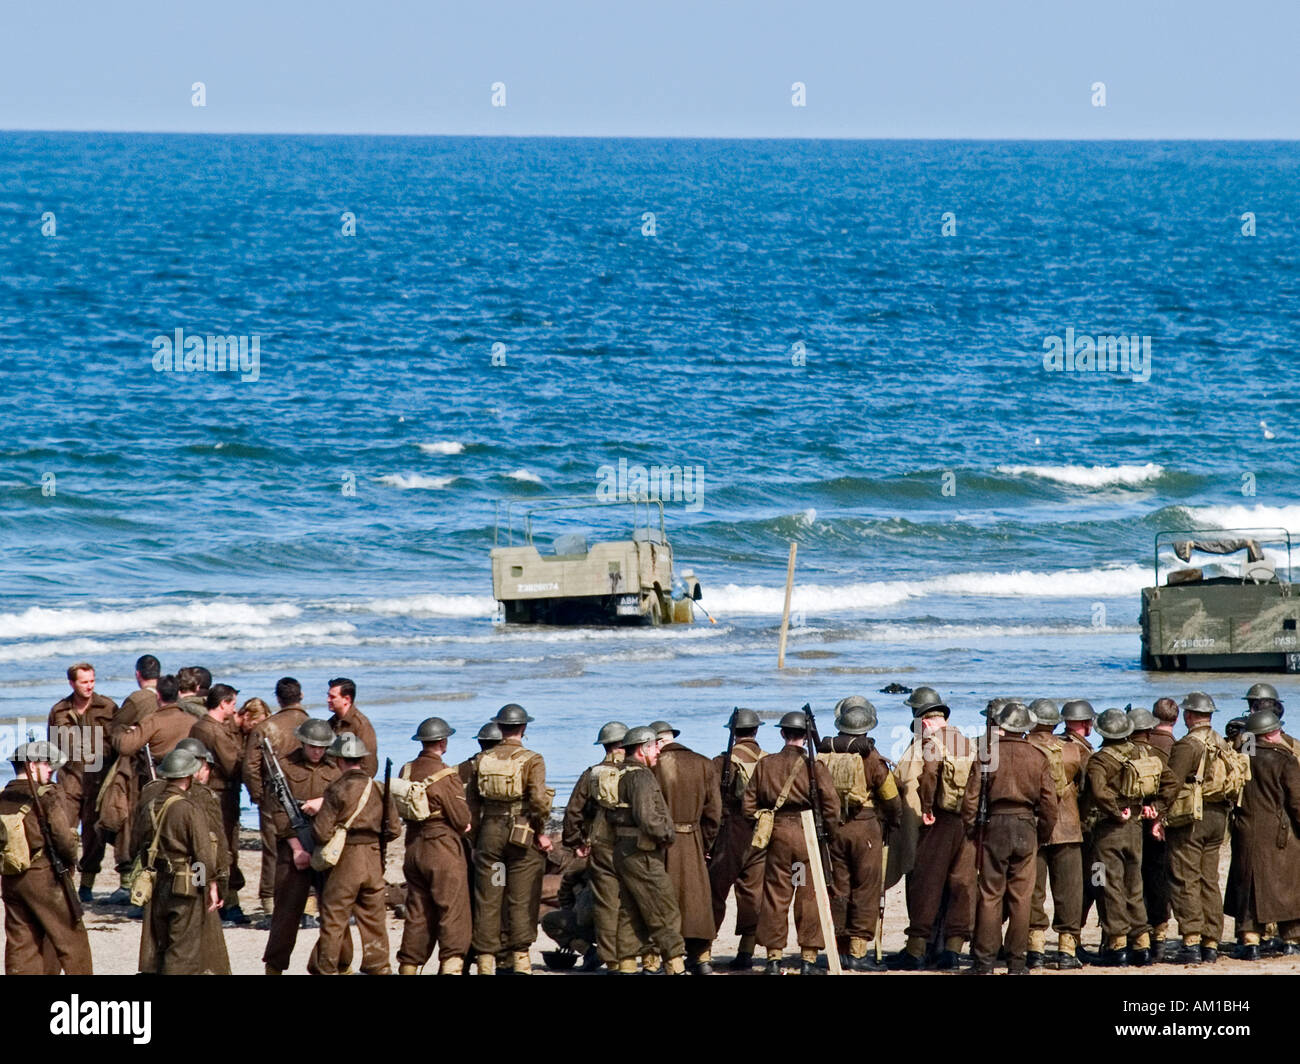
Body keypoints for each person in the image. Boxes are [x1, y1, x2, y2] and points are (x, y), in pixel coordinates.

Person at [962, 701, 1057, 975]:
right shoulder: (1039, 756)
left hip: (995, 825)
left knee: (990, 895)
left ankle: (984, 963)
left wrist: (972, 831)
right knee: (1021, 897)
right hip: (1027, 825)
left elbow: (970, 800)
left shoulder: (986, 753)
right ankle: (1017, 964)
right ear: (1026, 727)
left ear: (1001, 725)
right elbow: (1049, 804)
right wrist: (1042, 833)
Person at [743, 709, 839, 975]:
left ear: (783, 733)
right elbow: (831, 806)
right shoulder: (814, 766)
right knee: (806, 894)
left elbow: (748, 805)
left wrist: (763, 821)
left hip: (778, 837)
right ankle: (808, 959)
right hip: (806, 835)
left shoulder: (766, 764)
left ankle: (774, 957)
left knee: (777, 895)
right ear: (806, 738)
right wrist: (828, 835)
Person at [1154, 691, 1245, 965]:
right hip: (1218, 819)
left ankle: (1192, 939)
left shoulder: (1188, 745)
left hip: (1192, 819)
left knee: (1185, 878)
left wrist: (1158, 814)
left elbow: (1171, 784)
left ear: (1189, 716)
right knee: (1209, 879)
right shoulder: (1223, 743)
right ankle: (1211, 941)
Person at [465, 703, 552, 975]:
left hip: (491, 837)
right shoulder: (532, 759)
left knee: (491, 894)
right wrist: (540, 832)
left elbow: (473, 804)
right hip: (521, 838)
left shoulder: (482, 759)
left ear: (500, 727)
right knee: (520, 896)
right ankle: (521, 961)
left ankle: (487, 962)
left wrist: (480, 839)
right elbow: (538, 801)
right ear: (523, 729)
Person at [893, 686, 976, 970]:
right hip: (966, 823)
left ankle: (916, 950)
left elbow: (914, 779)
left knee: (925, 884)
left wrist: (926, 808)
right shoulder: (968, 742)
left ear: (924, 720)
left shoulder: (926, 744)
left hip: (937, 821)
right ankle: (952, 951)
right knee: (960, 885)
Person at [818, 696, 902, 971]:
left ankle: (839, 949)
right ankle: (857, 952)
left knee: (839, 886)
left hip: (834, 828)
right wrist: (895, 819)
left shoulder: (825, 754)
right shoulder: (871, 756)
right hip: (865, 827)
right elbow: (889, 796)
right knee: (866, 889)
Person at [136, 738, 232, 975]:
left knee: (160, 944)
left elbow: (139, 843)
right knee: (184, 953)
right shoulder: (193, 804)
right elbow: (205, 851)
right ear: (189, 774)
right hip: (186, 884)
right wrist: (209, 884)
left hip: (157, 880)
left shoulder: (150, 798)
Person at [261, 719, 348, 975]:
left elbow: (345, 803)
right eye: (313, 747)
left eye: (322, 747)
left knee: (334, 912)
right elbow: (276, 812)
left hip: (325, 848)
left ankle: (340, 964)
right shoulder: (285, 768)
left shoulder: (334, 771)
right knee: (286, 915)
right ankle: (274, 967)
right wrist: (297, 848)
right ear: (303, 743)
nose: (317, 752)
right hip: (293, 850)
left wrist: (324, 802)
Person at [0, 740, 93, 974]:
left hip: (11, 877)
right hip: (44, 876)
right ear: (32, 766)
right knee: (72, 937)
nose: (50, 768)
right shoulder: (45, 795)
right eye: (45, 763)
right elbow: (63, 839)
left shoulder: (4, 796)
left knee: (22, 942)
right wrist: (73, 858)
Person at [311, 733, 399, 976]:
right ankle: (379, 966)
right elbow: (394, 829)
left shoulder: (336, 789)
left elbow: (321, 832)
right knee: (374, 918)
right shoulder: (379, 787)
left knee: (334, 918)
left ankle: (327, 969)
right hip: (372, 859)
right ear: (361, 758)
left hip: (345, 861)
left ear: (339, 760)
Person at [1081, 708, 1161, 966]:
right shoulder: (1142, 753)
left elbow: (1099, 792)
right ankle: (1142, 945)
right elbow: (1167, 780)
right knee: (1134, 885)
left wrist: (1117, 812)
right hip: (1136, 829)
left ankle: (1117, 946)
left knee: (1109, 885)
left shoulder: (1099, 760)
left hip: (1108, 831)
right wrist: (1155, 806)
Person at [396, 717, 472, 975]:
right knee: (453, 910)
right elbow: (461, 819)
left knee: (417, 911)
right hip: (442, 848)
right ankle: (450, 967)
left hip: (413, 846)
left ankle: (408, 967)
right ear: (443, 742)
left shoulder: (405, 770)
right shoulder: (447, 775)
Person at [607, 726, 686, 975]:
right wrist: (667, 834)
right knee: (665, 909)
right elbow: (647, 816)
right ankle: (676, 967)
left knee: (630, 911)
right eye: (654, 747)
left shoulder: (617, 772)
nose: (658, 752)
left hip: (621, 849)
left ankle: (627, 966)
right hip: (642, 852)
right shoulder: (641, 776)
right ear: (642, 749)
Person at [1225, 707, 1300, 960]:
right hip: (1281, 832)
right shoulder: (1285, 760)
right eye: (1277, 729)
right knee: (1286, 886)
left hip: (1246, 829)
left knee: (1248, 884)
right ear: (1270, 734)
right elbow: (1297, 802)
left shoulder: (1242, 756)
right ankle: (1291, 938)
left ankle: (1250, 941)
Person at [650, 719, 722, 974]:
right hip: (693, 839)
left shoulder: (654, 764)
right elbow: (714, 813)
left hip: (661, 842)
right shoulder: (703, 762)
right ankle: (701, 958)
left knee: (663, 898)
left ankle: (668, 958)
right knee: (697, 901)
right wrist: (706, 842)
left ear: (657, 742)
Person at [46, 661, 118, 902]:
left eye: (92, 681)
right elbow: (51, 749)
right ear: (72, 683)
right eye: (84, 682)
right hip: (69, 780)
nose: (89, 686)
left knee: (94, 836)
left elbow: (117, 745)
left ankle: (87, 885)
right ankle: (64, 880)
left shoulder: (108, 707)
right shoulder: (58, 711)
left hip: (98, 782)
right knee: (62, 832)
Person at [560, 720, 627, 971]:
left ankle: (613, 961)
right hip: (633, 847)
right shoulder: (638, 772)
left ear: (605, 746)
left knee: (606, 904)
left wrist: (576, 843)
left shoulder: (591, 774)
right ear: (624, 744)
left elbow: (573, 812)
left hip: (601, 847)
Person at [1024, 697, 1086, 969]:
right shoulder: (1072, 750)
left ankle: (1034, 949)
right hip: (1068, 826)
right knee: (1069, 891)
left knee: (1032, 891)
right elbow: (1087, 787)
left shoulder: (1023, 747)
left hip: (1033, 828)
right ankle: (1066, 950)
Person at [244, 678, 310, 916]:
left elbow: (250, 766)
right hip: (309, 795)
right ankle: (306, 900)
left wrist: (257, 794)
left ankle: (270, 900)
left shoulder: (265, 727)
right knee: (307, 843)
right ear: (300, 696)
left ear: (278, 698)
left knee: (272, 849)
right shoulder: (313, 724)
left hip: (273, 796)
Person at [709, 707, 768, 970]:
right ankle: (746, 950)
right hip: (763, 832)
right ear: (756, 730)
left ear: (733, 732)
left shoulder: (722, 761)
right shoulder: (770, 760)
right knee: (753, 894)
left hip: (730, 831)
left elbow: (709, 800)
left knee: (714, 891)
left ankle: (703, 949)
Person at [99, 653, 162, 901]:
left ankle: (128, 882)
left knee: (126, 820)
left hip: (135, 770)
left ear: (138, 675)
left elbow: (116, 731)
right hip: (162, 770)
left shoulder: (137, 699)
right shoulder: (169, 696)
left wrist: (123, 734)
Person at [188, 683, 247, 924]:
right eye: (232, 704)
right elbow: (233, 764)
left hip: (209, 793)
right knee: (224, 848)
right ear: (223, 703)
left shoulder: (198, 727)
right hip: (220, 795)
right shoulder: (214, 731)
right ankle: (228, 903)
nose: (234, 710)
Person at [1132, 703, 1176, 961]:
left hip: (1129, 824)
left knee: (1130, 880)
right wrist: (1158, 810)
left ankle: (1135, 940)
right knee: (1157, 880)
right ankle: (1158, 939)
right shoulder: (1162, 751)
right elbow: (1173, 784)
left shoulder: (1119, 753)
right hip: (1157, 825)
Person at [326, 677, 378, 777]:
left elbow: (369, 765)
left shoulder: (361, 725)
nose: (328, 700)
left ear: (347, 699)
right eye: (328, 696)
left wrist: (355, 786)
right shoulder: (331, 723)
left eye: (332, 697)